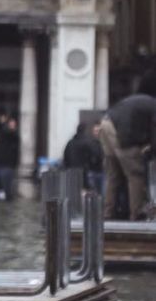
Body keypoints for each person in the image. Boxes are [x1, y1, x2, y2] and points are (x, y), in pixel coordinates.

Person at [98, 72, 156, 220]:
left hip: (105, 124)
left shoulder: (143, 101)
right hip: (120, 131)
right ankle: (137, 214)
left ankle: (108, 213)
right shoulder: (153, 106)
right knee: (136, 174)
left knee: (113, 175)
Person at [62, 122, 104, 194]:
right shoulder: (88, 143)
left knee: (74, 194)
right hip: (85, 174)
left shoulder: (70, 143)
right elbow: (97, 155)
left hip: (71, 174)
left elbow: (65, 158)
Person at [0, 115, 19, 201]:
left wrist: (5, 123)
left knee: (7, 189)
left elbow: (10, 134)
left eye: (13, 124)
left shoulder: (14, 136)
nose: (12, 126)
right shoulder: (2, 134)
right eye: (11, 124)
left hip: (7, 165)